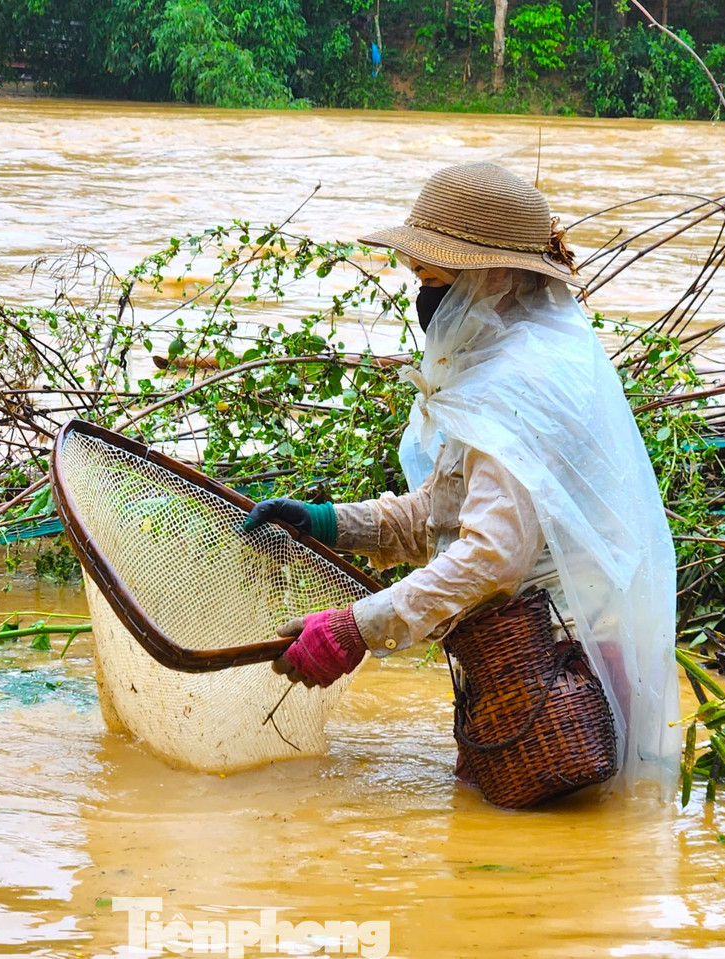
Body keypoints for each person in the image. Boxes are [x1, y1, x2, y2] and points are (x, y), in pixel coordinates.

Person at [243, 161, 679, 787]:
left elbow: (490, 557)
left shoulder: (521, 382)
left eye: (434, 278)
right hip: (528, 670)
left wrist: (357, 628)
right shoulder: (511, 360)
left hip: (560, 685)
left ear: (494, 275)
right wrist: (327, 523)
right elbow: (445, 511)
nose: (424, 298)